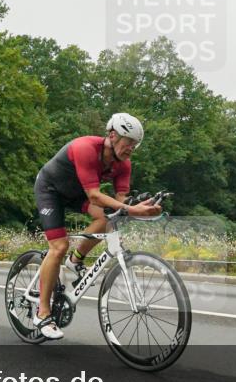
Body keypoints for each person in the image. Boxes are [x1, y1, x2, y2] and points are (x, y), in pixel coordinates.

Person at [32, 113, 161, 340]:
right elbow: (94, 195)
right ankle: (43, 313)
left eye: (135, 145)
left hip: (76, 194)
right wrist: (134, 210)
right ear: (113, 136)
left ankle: (75, 262)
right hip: (50, 190)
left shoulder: (124, 164)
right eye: (128, 142)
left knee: (107, 219)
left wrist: (141, 209)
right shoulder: (85, 148)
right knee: (59, 247)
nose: (131, 148)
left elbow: (120, 204)